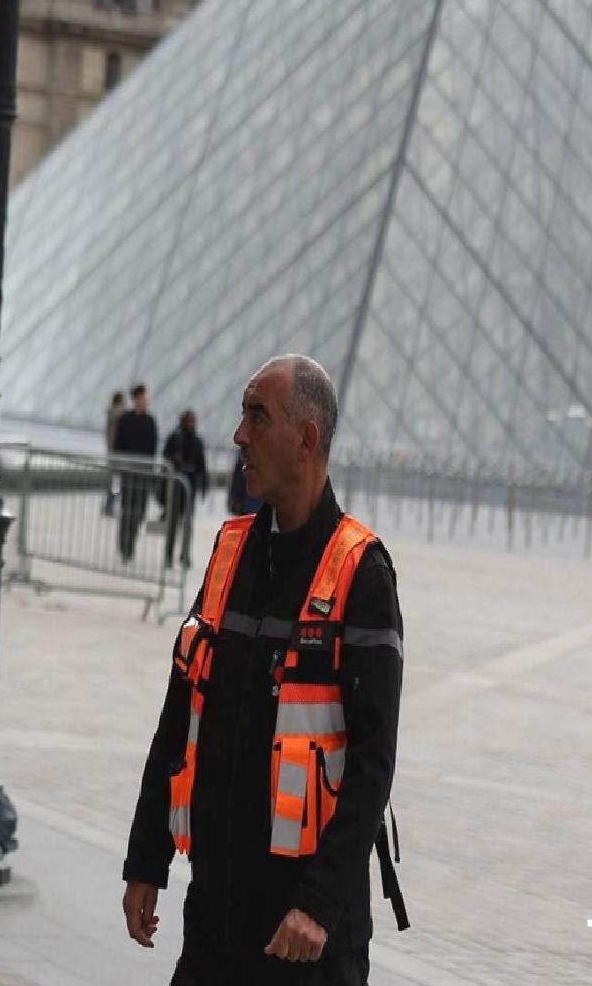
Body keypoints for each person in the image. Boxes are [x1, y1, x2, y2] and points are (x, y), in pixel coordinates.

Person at [122, 356, 406, 985]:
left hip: (304, 941)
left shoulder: (362, 572)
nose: (239, 436)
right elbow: (179, 714)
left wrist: (318, 904)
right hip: (215, 921)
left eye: (258, 417)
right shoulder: (228, 554)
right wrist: (147, 857)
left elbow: (372, 764)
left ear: (307, 439)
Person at [113, 384, 160, 562]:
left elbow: (153, 448)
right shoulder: (125, 420)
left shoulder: (150, 421)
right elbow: (118, 445)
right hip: (129, 473)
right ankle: (124, 545)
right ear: (136, 399)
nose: (145, 401)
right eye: (143, 398)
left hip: (144, 475)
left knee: (139, 512)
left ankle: (130, 541)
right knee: (127, 510)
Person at [162, 410, 208, 566]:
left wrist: (203, 486)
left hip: (190, 488)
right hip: (176, 486)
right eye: (188, 421)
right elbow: (165, 456)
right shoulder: (175, 437)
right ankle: (169, 555)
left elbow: (202, 465)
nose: (190, 424)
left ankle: (185, 554)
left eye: (192, 421)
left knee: (187, 524)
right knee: (173, 523)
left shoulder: (197, 441)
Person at [105, 390, 129, 515]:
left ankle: (110, 505)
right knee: (116, 481)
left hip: (112, 452)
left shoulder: (110, 412)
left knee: (114, 481)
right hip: (117, 453)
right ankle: (110, 506)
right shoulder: (118, 413)